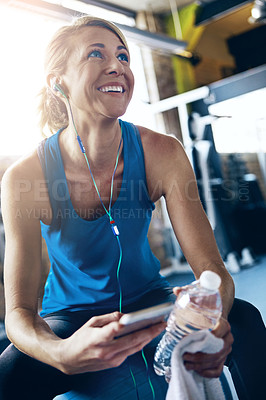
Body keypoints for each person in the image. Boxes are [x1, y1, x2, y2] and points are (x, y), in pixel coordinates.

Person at [0, 15, 264, 400]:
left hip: (150, 300)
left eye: (124, 56)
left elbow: (213, 271)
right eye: (96, 54)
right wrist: (60, 353)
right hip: (71, 316)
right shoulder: (26, 178)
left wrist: (214, 317)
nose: (117, 66)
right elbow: (19, 313)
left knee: (246, 318)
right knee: (10, 375)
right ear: (59, 82)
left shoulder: (163, 152)